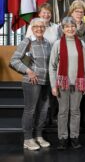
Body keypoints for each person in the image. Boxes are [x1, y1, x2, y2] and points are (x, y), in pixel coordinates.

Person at [10, 18, 52, 151]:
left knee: (43, 110)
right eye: (36, 27)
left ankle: (39, 136)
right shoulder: (27, 41)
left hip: (46, 81)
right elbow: (14, 60)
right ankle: (28, 139)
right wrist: (29, 71)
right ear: (32, 28)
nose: (39, 29)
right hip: (32, 81)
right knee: (30, 110)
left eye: (42, 26)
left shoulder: (47, 43)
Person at [49, 17, 85, 150]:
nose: (70, 29)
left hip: (78, 83)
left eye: (72, 26)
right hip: (62, 84)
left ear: (76, 28)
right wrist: (53, 85)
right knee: (63, 111)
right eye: (67, 26)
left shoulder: (81, 44)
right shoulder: (57, 44)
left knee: (75, 111)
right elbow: (52, 66)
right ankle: (62, 138)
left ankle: (74, 137)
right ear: (63, 28)